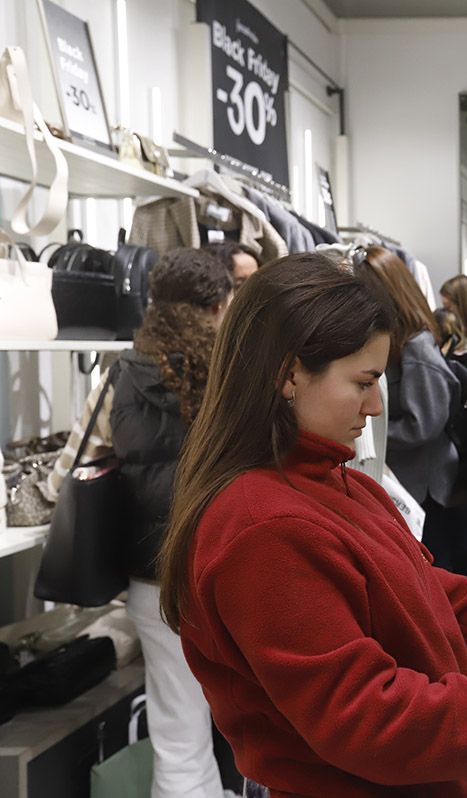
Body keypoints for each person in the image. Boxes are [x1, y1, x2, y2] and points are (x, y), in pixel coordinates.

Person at [158, 255, 467, 797]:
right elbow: (373, 720)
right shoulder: (264, 529)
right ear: (290, 373)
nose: (377, 404)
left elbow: (423, 593)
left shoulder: (336, 484)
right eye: (364, 382)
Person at [110, 248, 232, 798]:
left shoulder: (127, 372)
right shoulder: (231, 375)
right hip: (224, 569)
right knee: (248, 723)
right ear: (216, 305)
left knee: (177, 732)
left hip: (152, 572)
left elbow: (101, 456)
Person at [356, 246, 467, 576]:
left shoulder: (415, 345)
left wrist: (369, 436)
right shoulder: (396, 341)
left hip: (430, 489)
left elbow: (424, 423)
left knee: (437, 574)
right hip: (411, 482)